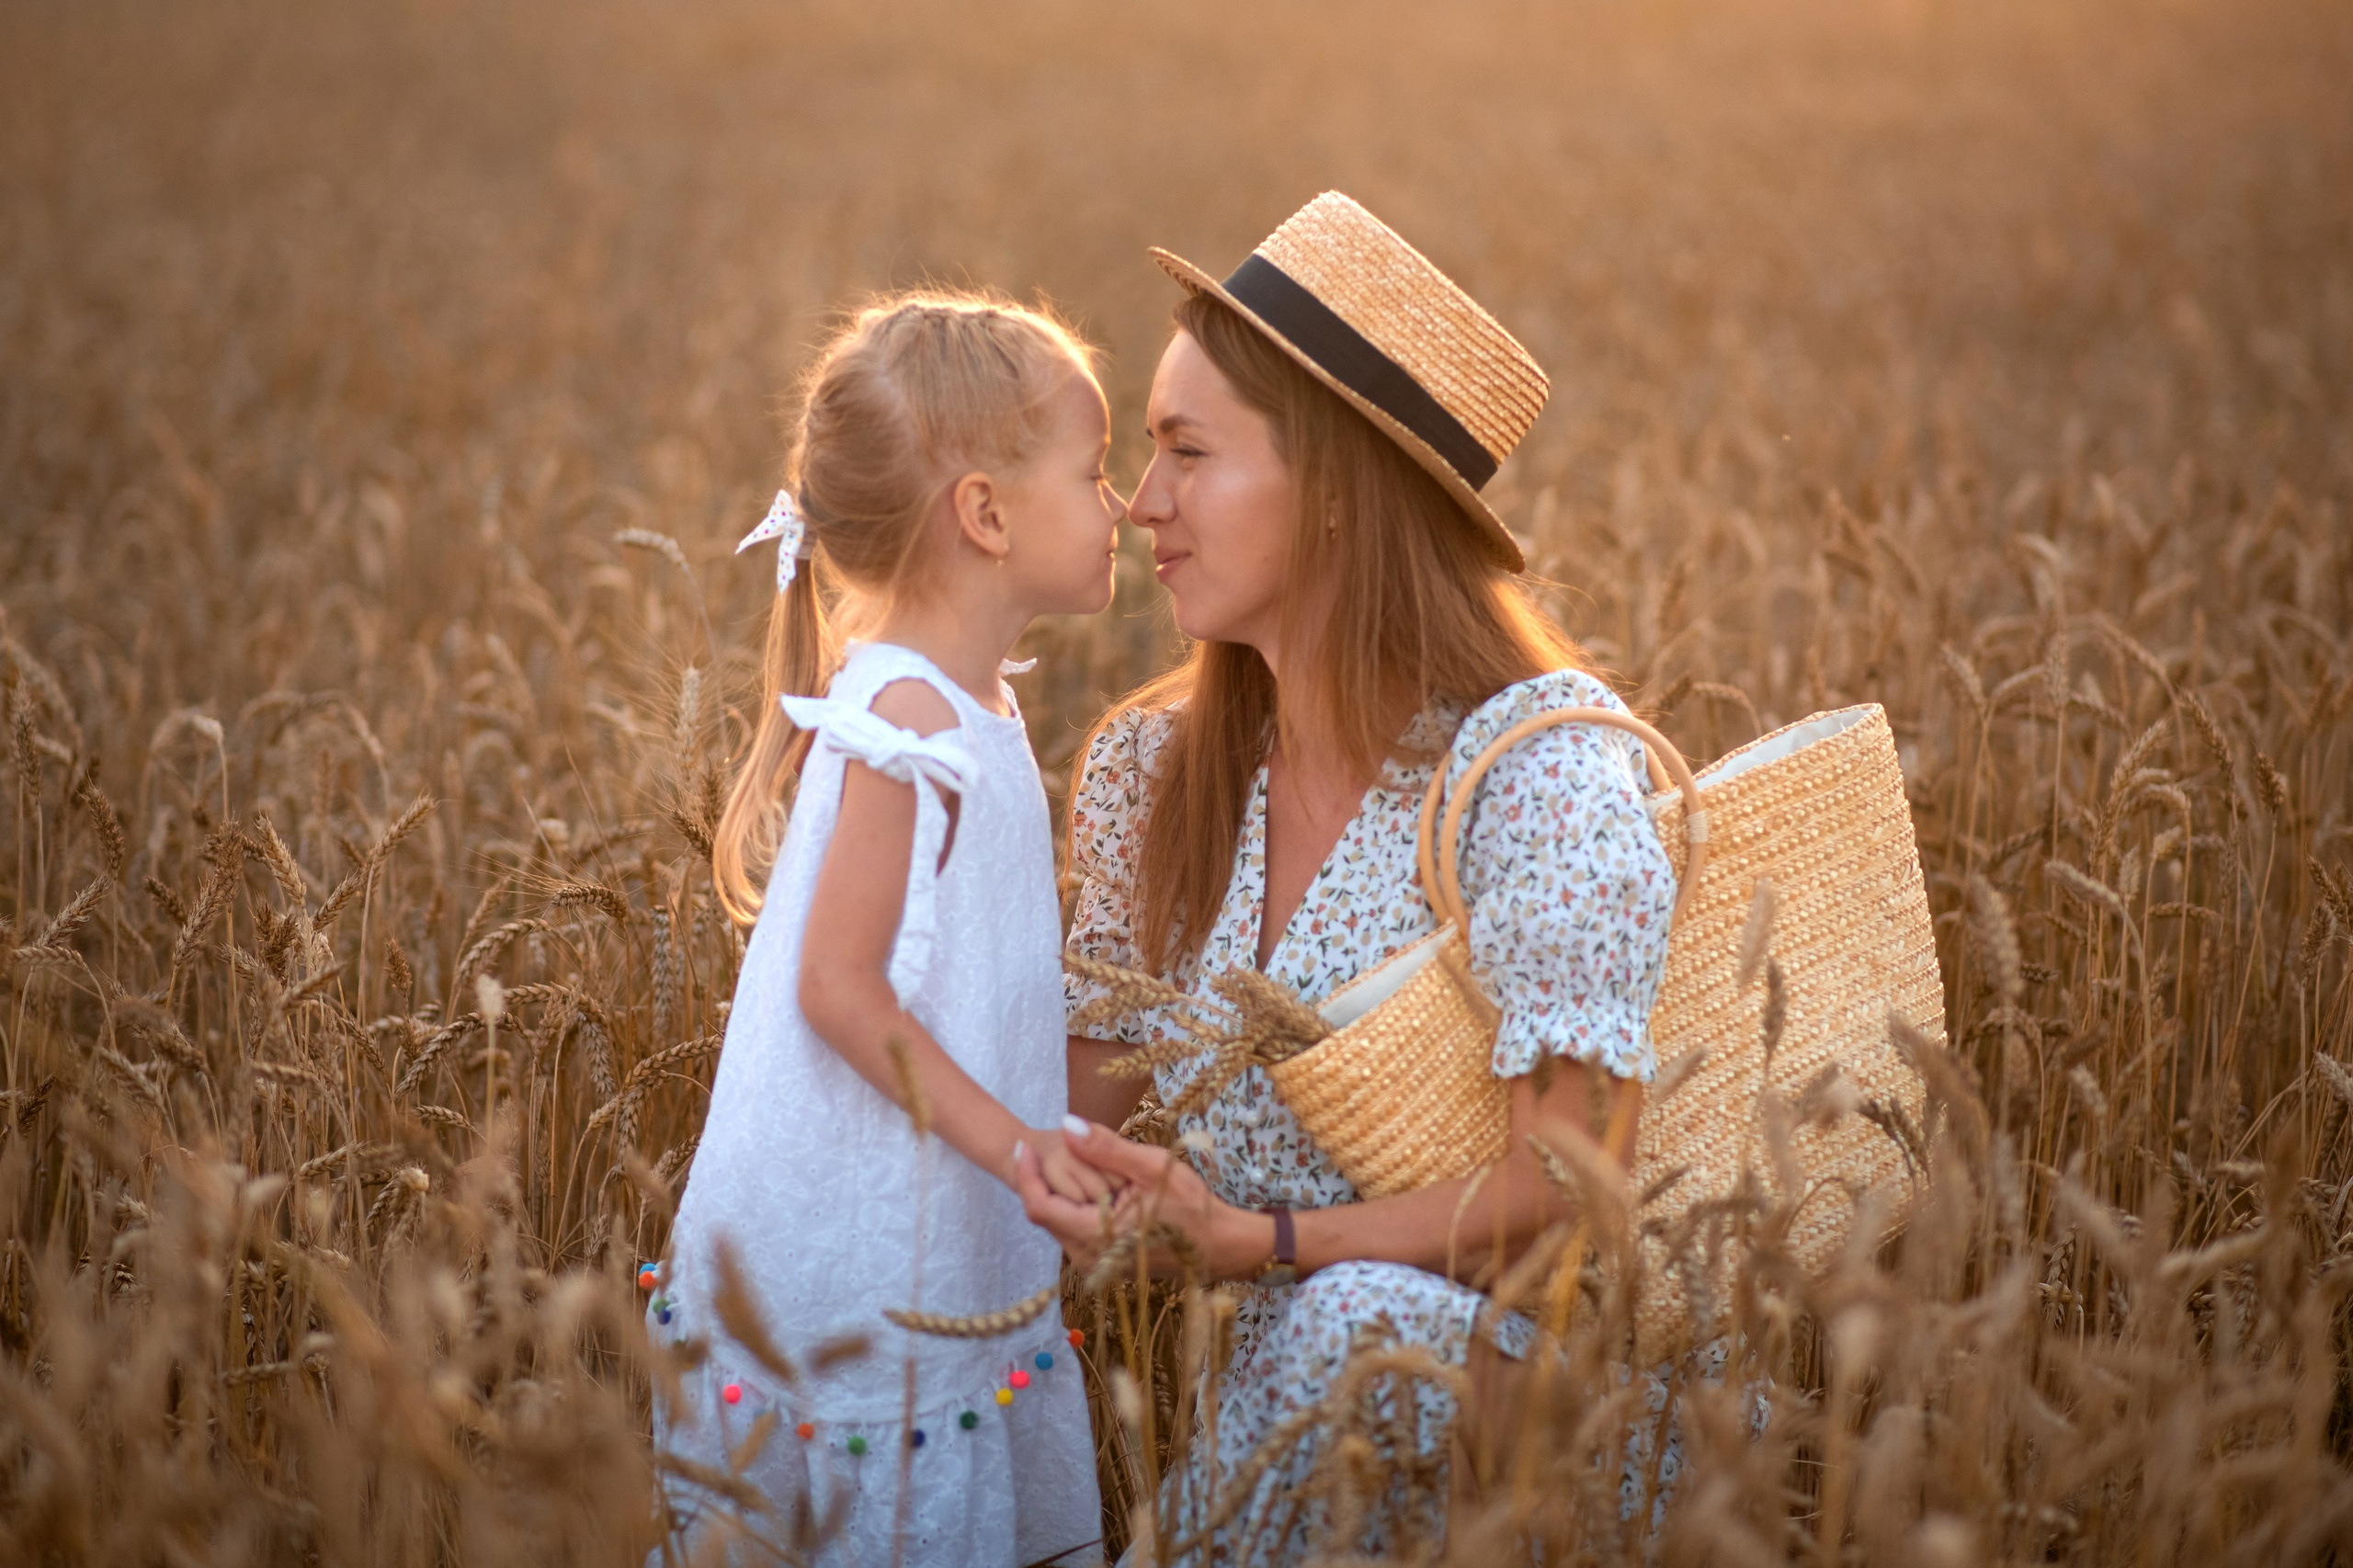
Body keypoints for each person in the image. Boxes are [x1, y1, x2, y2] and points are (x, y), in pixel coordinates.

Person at [1014, 194, 1684, 1562]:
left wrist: (1253, 1240)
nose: (1143, 502)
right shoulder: (1153, 771)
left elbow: (1567, 1185)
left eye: (1189, 451)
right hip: (1281, 1430)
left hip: (1519, 1415)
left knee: (1358, 1329)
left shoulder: (1535, 769)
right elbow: (1072, 1126)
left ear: (1332, 488)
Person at [652, 291, 1123, 1567]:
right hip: (854, 1261)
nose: (1123, 504)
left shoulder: (972, 704)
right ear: (986, 514)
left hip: (943, 1234)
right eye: (1094, 473)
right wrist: (1020, 1147)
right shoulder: (905, 720)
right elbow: (838, 986)